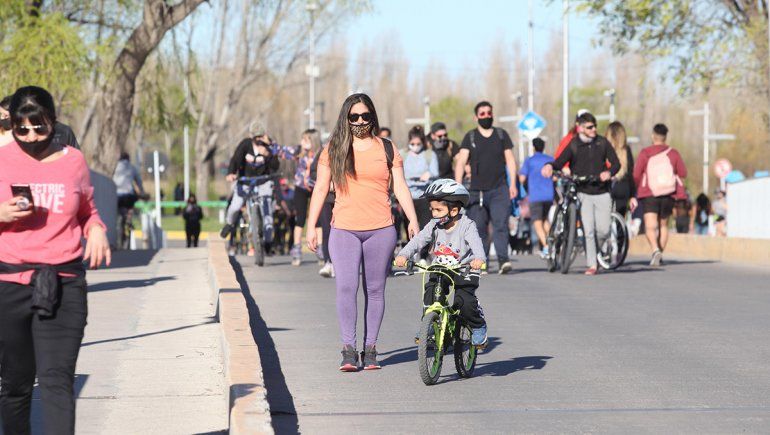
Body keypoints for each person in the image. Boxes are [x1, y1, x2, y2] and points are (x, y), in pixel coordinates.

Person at [0, 86, 110, 435]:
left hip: (63, 284)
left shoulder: (73, 161)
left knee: (56, 381)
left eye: (40, 127)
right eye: (23, 129)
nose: (31, 136)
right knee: (16, 386)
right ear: (13, 125)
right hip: (9, 285)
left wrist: (96, 229)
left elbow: (87, 209)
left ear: (54, 121)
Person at [305, 93, 419, 371]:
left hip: (381, 229)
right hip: (343, 229)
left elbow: (401, 187)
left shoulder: (388, 148)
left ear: (373, 117)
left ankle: (370, 349)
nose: (359, 121)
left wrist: (413, 220)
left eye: (365, 116)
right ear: (346, 118)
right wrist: (311, 226)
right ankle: (348, 348)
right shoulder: (333, 149)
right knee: (346, 287)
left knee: (375, 289)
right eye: (353, 116)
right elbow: (320, 188)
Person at [394, 179, 488, 346]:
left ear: (453, 210)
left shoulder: (467, 225)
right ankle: (430, 324)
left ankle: (478, 325)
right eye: (432, 209)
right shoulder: (433, 225)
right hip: (441, 267)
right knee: (431, 291)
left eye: (438, 210)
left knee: (465, 302)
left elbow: (476, 244)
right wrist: (403, 255)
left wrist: (479, 259)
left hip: (464, 268)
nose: (433, 213)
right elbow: (418, 241)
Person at [542, 112, 621, 275]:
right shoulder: (574, 144)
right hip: (583, 192)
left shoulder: (602, 143)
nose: (594, 129)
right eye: (589, 127)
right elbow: (558, 162)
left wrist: (609, 172)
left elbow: (616, 163)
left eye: (595, 126)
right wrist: (549, 166)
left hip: (602, 191)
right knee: (589, 230)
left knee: (604, 230)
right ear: (580, 128)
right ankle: (592, 264)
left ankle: (596, 251)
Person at [454, 101, 518, 274]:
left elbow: (510, 160)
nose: (486, 116)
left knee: (500, 225)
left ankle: (504, 260)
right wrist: (458, 187)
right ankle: (481, 261)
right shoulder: (471, 137)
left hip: (499, 189)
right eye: (482, 114)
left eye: (489, 113)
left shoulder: (501, 135)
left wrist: (513, 184)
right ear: (476, 117)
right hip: (477, 191)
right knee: (479, 228)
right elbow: (460, 162)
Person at [633, 123, 687, 266]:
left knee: (650, 227)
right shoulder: (673, 153)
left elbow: (636, 174)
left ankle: (655, 250)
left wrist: (636, 188)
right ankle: (659, 254)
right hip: (668, 193)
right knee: (663, 225)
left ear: (653, 136)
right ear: (665, 137)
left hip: (650, 193)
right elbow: (683, 173)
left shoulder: (645, 153)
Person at [220, 135, 280, 250]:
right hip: (245, 182)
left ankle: (268, 241)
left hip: (263, 182)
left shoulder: (269, 147)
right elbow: (236, 159)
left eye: (263, 140)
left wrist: (268, 154)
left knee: (268, 215)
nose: (260, 144)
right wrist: (231, 173)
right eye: (258, 140)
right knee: (235, 207)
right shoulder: (246, 144)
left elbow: (276, 166)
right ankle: (229, 223)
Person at [403, 125, 438, 264]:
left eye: (418, 144)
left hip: (424, 197)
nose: (415, 146)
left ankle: (423, 256)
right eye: (412, 144)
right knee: (409, 228)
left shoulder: (429, 155)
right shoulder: (403, 155)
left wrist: (428, 174)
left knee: (425, 227)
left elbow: (435, 173)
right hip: (408, 198)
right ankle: (410, 256)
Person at [518, 137, 554, 258]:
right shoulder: (550, 159)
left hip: (536, 195)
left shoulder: (529, 161)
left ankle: (546, 246)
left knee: (537, 222)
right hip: (549, 195)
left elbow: (522, 178)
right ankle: (552, 243)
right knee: (545, 219)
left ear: (533, 147)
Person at [290, 129, 322, 266]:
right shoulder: (299, 151)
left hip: (316, 187)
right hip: (300, 188)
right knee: (300, 218)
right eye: (302, 139)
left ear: (313, 141)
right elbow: (282, 150)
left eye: (305, 140)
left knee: (318, 219)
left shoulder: (322, 153)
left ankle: (321, 248)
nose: (302, 142)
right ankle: (297, 249)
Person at [606, 121, 636, 216]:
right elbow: (630, 174)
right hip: (623, 188)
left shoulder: (604, 149)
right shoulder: (626, 150)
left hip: (607, 187)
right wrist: (632, 195)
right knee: (620, 219)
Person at [113, 152, 146, 221]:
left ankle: (120, 220)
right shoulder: (132, 167)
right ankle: (129, 216)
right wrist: (142, 192)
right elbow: (139, 182)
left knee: (118, 208)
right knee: (132, 202)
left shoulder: (115, 167)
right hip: (129, 195)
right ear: (128, 159)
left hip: (117, 195)